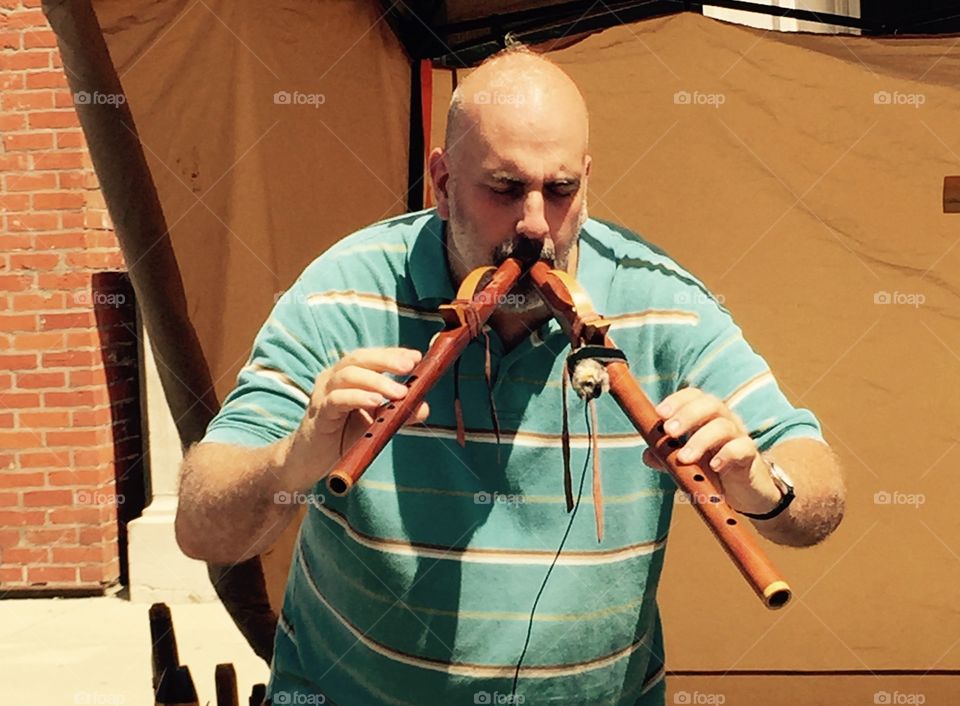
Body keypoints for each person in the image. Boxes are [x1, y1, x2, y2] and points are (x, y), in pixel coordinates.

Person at [176, 46, 845, 706]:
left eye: (560, 190)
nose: (534, 227)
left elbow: (818, 495)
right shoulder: (340, 293)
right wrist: (291, 462)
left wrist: (764, 486)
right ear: (441, 182)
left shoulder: (663, 302)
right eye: (504, 188)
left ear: (586, 178)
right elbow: (201, 526)